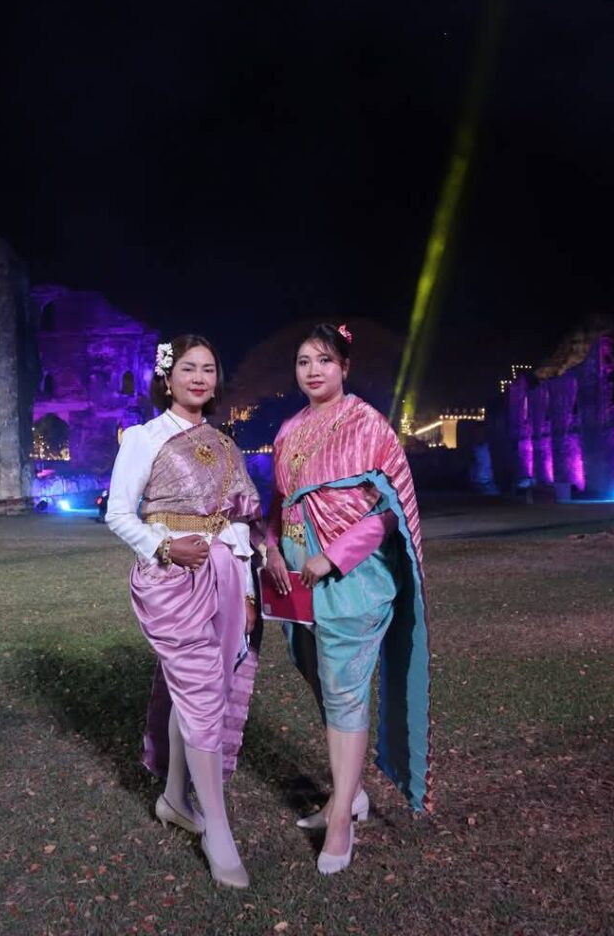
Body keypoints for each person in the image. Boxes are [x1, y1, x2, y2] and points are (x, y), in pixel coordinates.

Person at [265, 323, 431, 875]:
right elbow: (280, 502)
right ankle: (349, 793)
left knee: (344, 693)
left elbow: (390, 512)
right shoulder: (289, 429)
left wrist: (334, 556)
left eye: (324, 360)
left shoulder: (367, 425)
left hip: (351, 581)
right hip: (295, 583)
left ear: (345, 367)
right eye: (303, 361)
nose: (313, 370)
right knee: (320, 680)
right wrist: (272, 547)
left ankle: (341, 821)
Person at [106, 335, 261, 889]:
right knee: (200, 695)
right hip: (172, 579)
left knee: (199, 692)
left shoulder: (224, 444)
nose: (199, 378)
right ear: (167, 377)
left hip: (225, 576)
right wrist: (165, 547)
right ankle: (218, 831)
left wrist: (247, 592)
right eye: (189, 368)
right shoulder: (144, 438)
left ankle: (174, 798)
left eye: (209, 369)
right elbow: (118, 514)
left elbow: (240, 522)